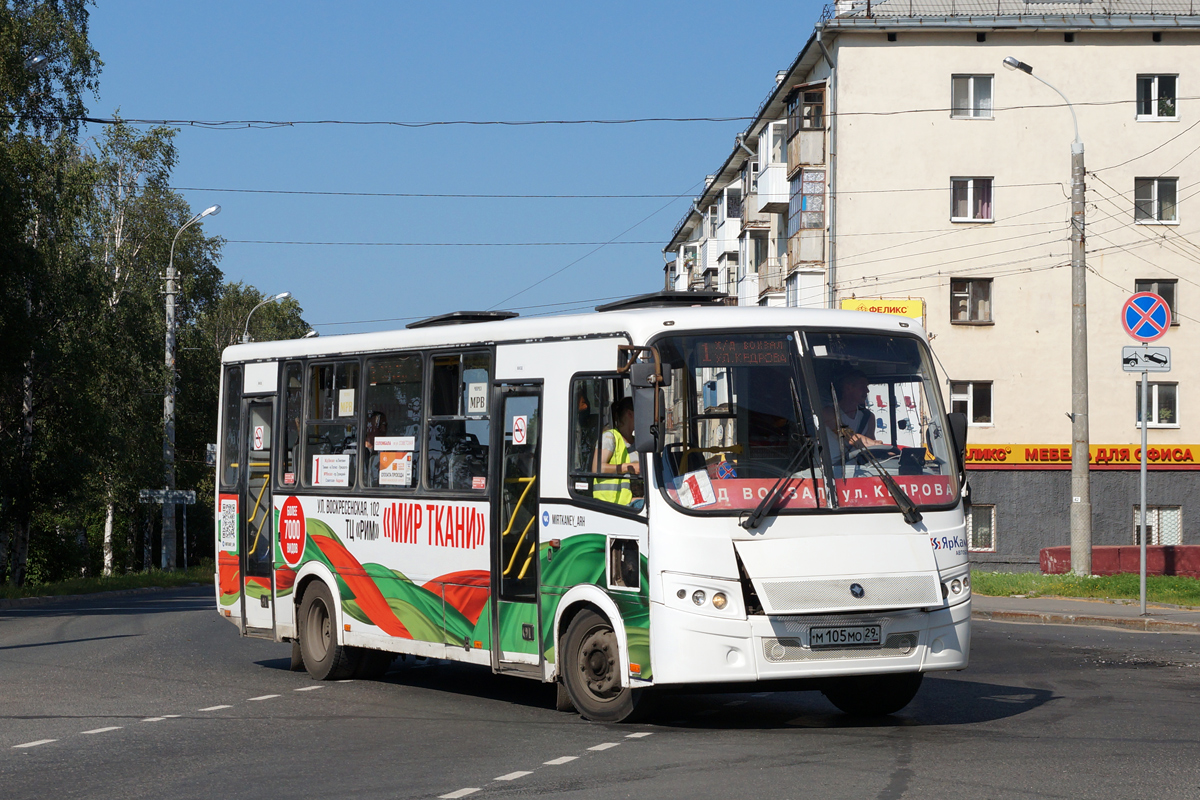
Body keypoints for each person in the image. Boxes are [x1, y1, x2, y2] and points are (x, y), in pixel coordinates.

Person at [821, 369, 884, 466]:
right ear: (848, 388)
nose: (867, 391)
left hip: (855, 473)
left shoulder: (868, 417)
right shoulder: (829, 412)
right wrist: (875, 444)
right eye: (862, 386)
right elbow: (849, 436)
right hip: (827, 474)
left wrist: (884, 451)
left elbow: (871, 451)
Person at [593, 397, 639, 505]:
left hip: (633, 501)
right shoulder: (610, 437)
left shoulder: (638, 443)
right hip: (610, 505)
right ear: (630, 414)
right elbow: (597, 468)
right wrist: (628, 468)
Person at [363, 410, 387, 486]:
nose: (383, 430)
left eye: (385, 425)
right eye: (379, 425)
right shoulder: (355, 452)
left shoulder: (383, 453)